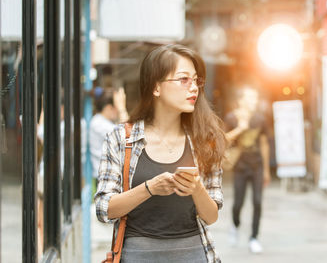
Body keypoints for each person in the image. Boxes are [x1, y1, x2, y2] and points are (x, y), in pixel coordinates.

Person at [94, 44, 226, 263]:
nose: (193, 88)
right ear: (156, 87)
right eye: (183, 80)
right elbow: (103, 209)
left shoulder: (204, 139)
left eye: (196, 80)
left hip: (193, 254)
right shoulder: (121, 138)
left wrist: (197, 189)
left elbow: (211, 217)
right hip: (137, 255)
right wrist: (149, 188)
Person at [224, 86, 271, 254]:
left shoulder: (260, 119)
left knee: (257, 202)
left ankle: (254, 238)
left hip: (257, 165)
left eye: (255, 98)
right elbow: (223, 140)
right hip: (240, 166)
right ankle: (235, 226)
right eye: (250, 98)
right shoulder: (231, 117)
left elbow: (264, 143)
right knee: (238, 203)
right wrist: (240, 128)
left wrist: (266, 170)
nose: (254, 101)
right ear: (241, 100)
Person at [89, 87, 128, 191]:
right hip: (105, 178)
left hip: (110, 176)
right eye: (116, 107)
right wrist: (122, 109)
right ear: (109, 108)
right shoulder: (98, 123)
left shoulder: (104, 123)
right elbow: (127, 136)